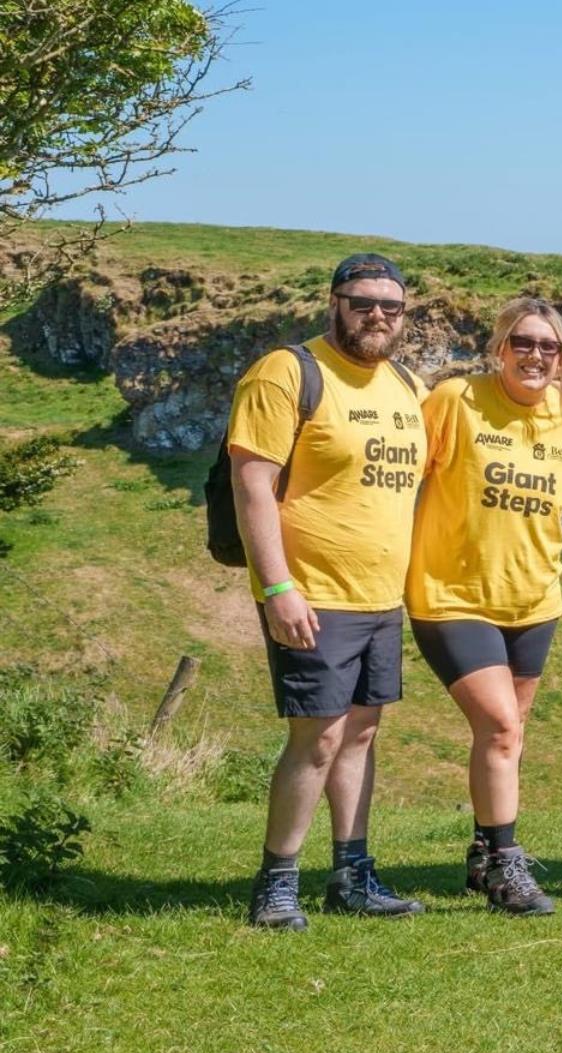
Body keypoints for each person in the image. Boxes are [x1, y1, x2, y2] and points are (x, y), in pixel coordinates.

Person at [228, 254, 427, 930]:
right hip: (312, 592)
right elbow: (252, 483)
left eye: (390, 307)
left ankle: (352, 874)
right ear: (334, 303)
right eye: (363, 301)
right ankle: (277, 881)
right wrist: (278, 586)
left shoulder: (405, 383)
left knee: (361, 735)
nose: (377, 316)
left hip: (381, 595)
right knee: (317, 738)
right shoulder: (287, 372)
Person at [407, 299, 562, 916]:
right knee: (502, 727)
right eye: (523, 343)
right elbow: (398, 476)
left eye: (550, 347)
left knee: (505, 738)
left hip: (535, 599)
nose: (536, 356)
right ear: (499, 347)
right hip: (452, 594)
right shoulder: (455, 400)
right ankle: (508, 868)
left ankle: (482, 851)